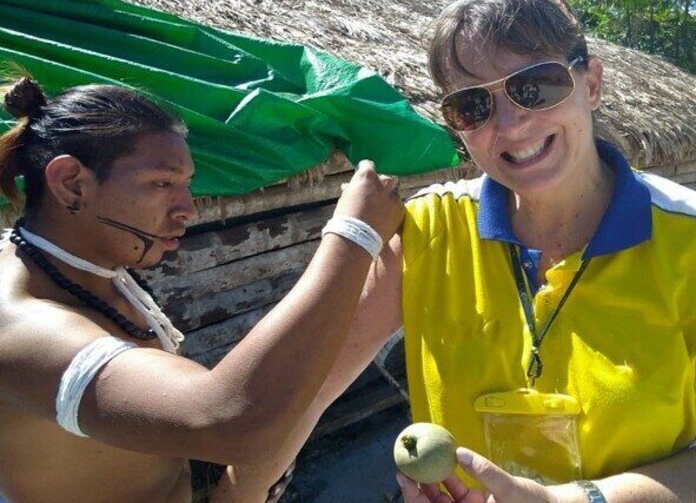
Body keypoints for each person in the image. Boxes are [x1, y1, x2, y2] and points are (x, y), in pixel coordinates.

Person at [206, 0, 696, 502]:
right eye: (473, 105)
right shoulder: (429, 235)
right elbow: (297, 394)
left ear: (590, 83)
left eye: (536, 86)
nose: (511, 124)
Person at [0, 77, 404, 502]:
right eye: (162, 183)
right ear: (70, 182)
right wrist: (353, 236)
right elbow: (228, 420)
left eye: (187, 184)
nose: (188, 209)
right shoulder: (21, 324)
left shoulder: (84, 267)